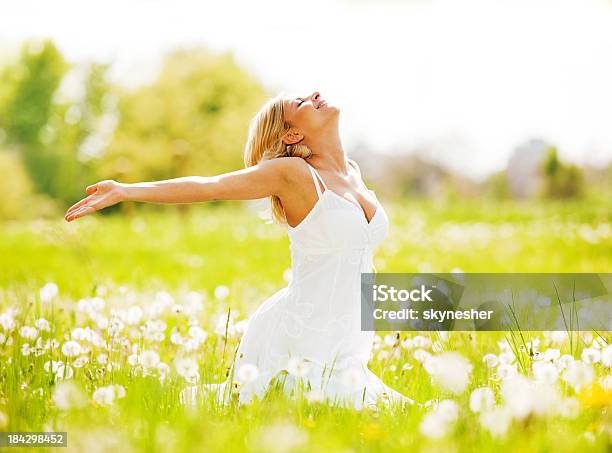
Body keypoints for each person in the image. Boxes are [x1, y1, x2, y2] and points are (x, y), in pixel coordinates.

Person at [64, 91, 415, 410]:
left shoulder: (353, 171)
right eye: (301, 103)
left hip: (347, 339)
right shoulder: (292, 173)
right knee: (314, 407)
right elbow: (210, 187)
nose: (315, 95)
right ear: (292, 135)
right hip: (306, 337)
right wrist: (126, 191)